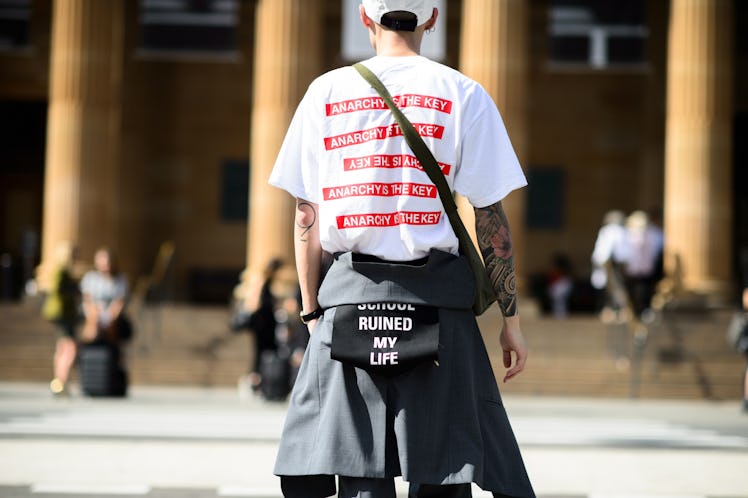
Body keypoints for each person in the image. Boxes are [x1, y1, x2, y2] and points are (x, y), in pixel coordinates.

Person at [267, 2, 534, 497]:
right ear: (432, 18)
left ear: (365, 18)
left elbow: (307, 215)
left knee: (359, 473)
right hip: (439, 307)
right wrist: (511, 324)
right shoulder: (463, 93)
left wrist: (311, 314)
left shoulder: (324, 92)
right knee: (446, 470)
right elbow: (491, 220)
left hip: (351, 303)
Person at [235, 258, 284, 394]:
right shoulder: (262, 280)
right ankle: (253, 382)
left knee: (263, 353)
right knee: (261, 353)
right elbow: (256, 302)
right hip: (262, 325)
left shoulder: (265, 281)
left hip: (265, 324)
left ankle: (259, 382)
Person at [41, 241, 80, 396]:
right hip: (64, 314)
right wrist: (74, 289)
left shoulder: (59, 270)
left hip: (63, 315)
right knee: (70, 348)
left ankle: (59, 382)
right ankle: (60, 382)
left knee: (62, 348)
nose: (77, 257)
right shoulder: (62, 271)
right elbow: (57, 289)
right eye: (74, 254)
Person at [80, 247, 130, 344]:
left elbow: (119, 302)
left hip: (112, 319)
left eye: (107, 264)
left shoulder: (121, 279)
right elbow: (87, 300)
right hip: (93, 316)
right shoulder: (90, 278)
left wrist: (109, 318)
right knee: (91, 333)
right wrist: (94, 316)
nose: (105, 267)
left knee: (111, 336)